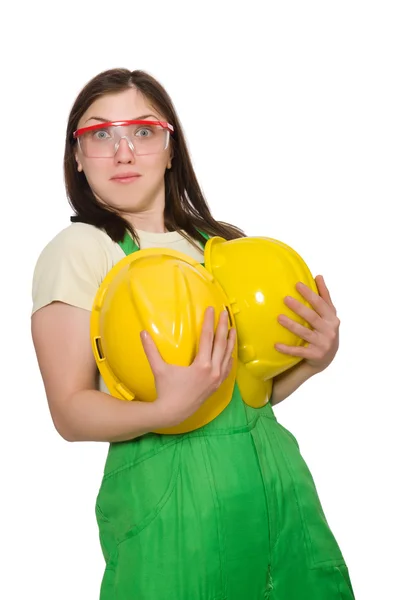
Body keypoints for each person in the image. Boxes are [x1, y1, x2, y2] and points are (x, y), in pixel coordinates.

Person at [31, 68, 355, 599]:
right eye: (100, 134)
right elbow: (69, 410)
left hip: (274, 482)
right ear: (78, 155)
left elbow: (250, 389)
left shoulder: (218, 244)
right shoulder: (82, 251)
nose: (123, 151)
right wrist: (162, 413)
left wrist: (313, 359)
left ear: (170, 146)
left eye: (142, 130)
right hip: (176, 505)